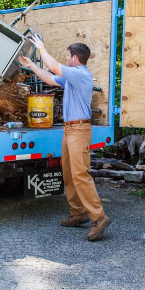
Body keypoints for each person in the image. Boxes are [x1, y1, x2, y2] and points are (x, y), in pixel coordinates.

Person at [18, 35, 111, 241]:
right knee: (68, 173)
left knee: (80, 174)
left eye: (68, 56)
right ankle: (78, 213)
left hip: (79, 130)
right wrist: (32, 65)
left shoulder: (80, 74)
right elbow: (49, 78)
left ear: (75, 58)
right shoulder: (71, 78)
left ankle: (99, 217)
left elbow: (54, 67)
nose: (66, 59)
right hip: (69, 130)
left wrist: (41, 47)